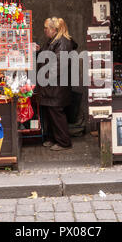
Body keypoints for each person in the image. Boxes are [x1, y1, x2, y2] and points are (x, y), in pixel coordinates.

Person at [37, 17, 78, 151]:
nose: (44, 31)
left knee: (56, 113)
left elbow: (59, 65)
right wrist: (38, 50)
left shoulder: (63, 42)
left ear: (53, 29)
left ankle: (64, 142)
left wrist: (46, 77)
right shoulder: (53, 41)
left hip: (57, 86)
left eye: (46, 28)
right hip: (51, 86)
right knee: (51, 113)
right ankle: (53, 138)